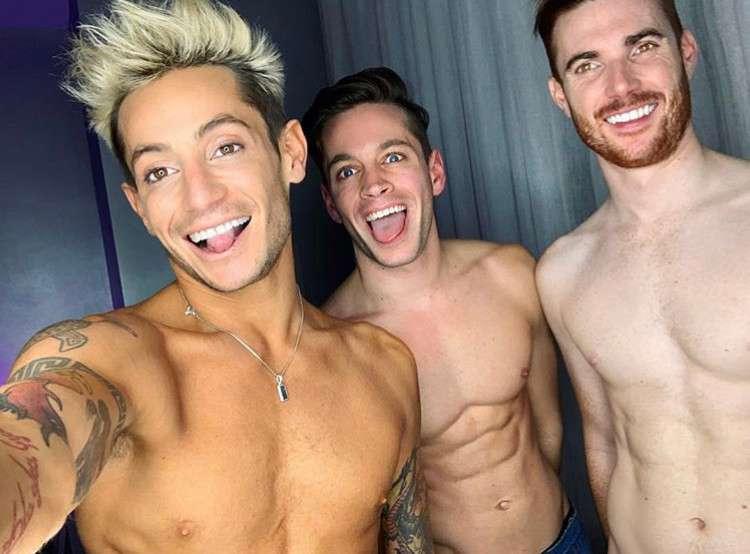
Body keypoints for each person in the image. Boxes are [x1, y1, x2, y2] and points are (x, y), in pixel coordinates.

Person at [0, 1, 431, 552]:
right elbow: (29, 445)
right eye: (160, 171)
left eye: (225, 147)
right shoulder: (109, 361)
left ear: (290, 152)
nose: (200, 197)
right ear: (139, 205)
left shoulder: (385, 365)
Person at [302, 67, 590, 553]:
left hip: (564, 541)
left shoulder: (512, 273)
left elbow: (548, 428)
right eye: (348, 171)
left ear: (434, 172)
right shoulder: (334, 348)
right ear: (332, 203)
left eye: (393, 157)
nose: (374, 185)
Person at [534, 0, 750, 552]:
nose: (621, 86)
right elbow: (605, 441)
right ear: (560, 95)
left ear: (687, 52)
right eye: (587, 64)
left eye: (643, 46)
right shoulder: (562, 272)